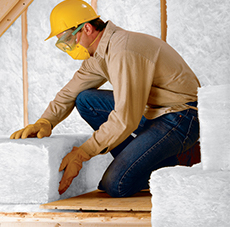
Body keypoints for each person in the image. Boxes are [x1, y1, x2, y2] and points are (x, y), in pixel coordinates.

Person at [10, 0, 201, 197]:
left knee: (116, 185)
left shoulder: (123, 50)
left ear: (87, 28)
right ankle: (151, 162)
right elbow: (70, 92)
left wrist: (82, 153)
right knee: (85, 100)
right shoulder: (99, 55)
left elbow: (126, 118)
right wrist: (46, 121)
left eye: (68, 39)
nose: (68, 47)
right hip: (156, 112)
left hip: (181, 118)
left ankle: (180, 160)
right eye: (62, 44)